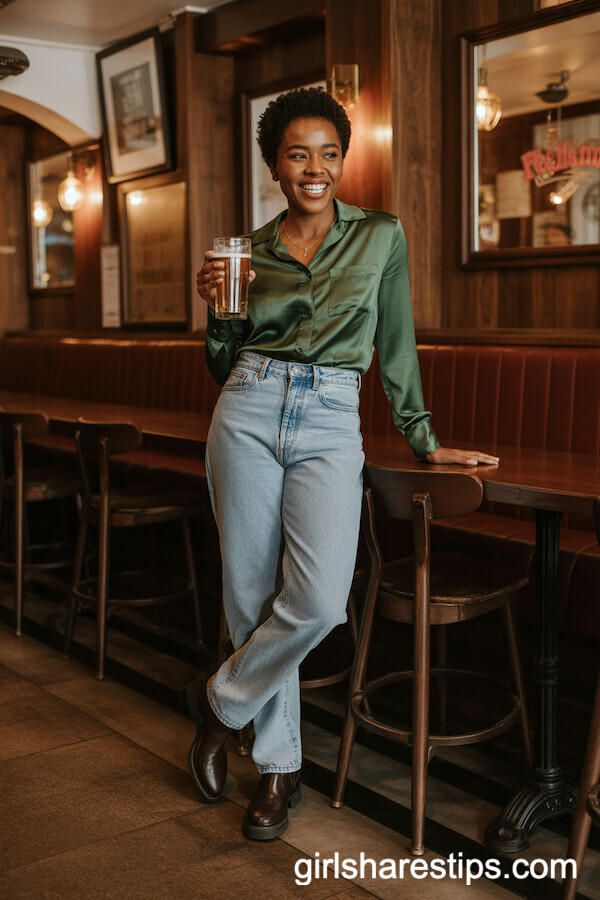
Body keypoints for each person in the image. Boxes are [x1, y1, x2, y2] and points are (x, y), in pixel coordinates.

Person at [189, 87, 499, 841]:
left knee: (322, 600)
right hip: (248, 405)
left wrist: (423, 436)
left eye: (329, 152)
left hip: (331, 415)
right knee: (250, 596)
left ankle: (218, 706)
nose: (316, 168)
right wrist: (220, 313)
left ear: (343, 159)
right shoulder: (249, 251)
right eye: (298, 154)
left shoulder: (381, 236)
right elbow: (221, 362)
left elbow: (396, 344)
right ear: (275, 165)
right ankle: (276, 769)